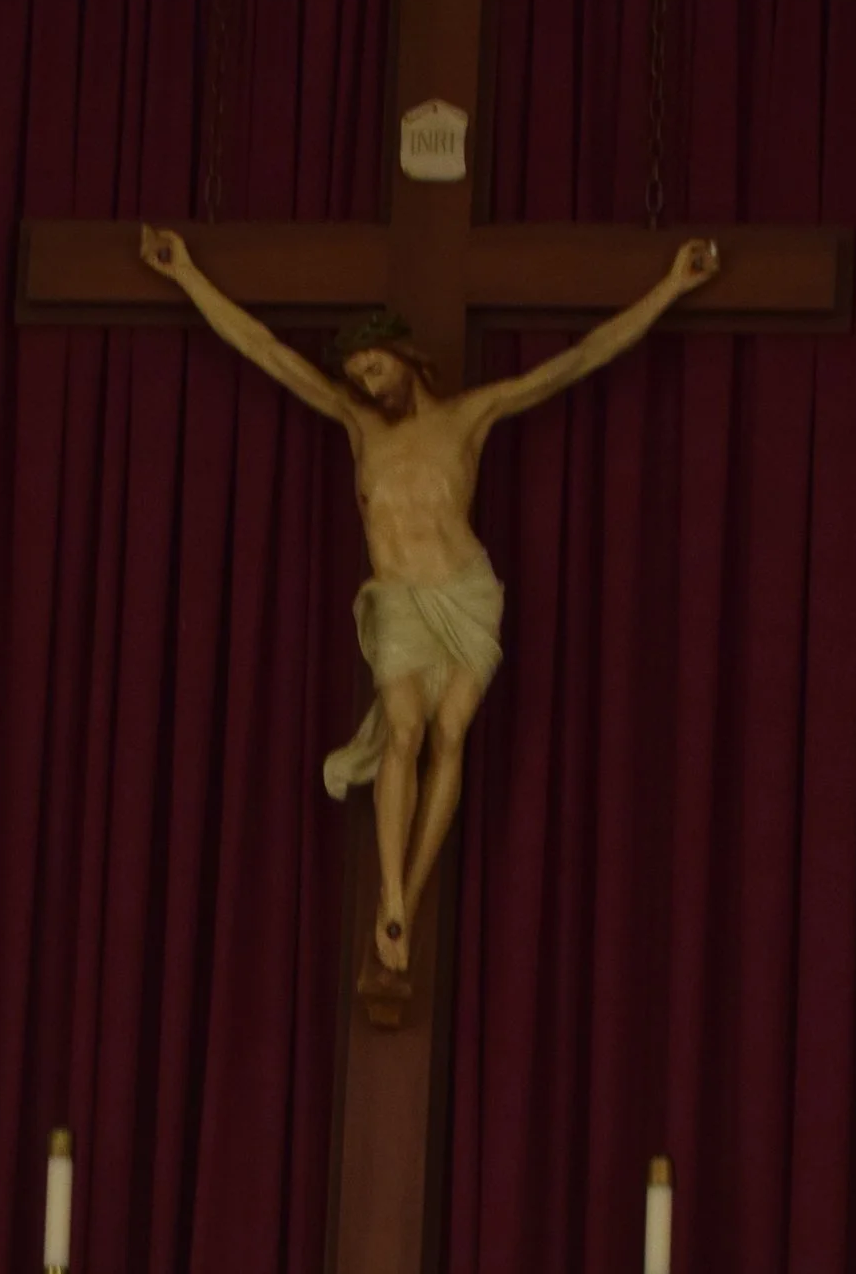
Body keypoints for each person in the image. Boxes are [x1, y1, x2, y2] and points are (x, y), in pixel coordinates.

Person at [138, 226, 720, 984]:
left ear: (406, 357)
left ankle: (406, 899)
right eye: (357, 374)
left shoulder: (468, 418)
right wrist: (185, 275)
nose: (369, 383)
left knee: (449, 733)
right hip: (400, 603)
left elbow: (579, 359)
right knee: (406, 730)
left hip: (464, 594)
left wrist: (672, 288)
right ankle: (391, 894)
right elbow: (267, 351)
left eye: (375, 366)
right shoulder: (358, 427)